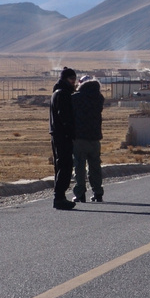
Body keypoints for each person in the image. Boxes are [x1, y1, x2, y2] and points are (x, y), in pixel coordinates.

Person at [71, 75, 105, 203]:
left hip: (79, 138)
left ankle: (80, 193)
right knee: (95, 166)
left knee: (79, 166)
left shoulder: (75, 98)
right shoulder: (99, 98)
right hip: (95, 138)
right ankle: (98, 192)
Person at [49, 67, 78, 210]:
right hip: (62, 136)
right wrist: (70, 132)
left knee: (61, 166)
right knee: (65, 166)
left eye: (74, 79)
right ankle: (59, 197)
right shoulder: (63, 94)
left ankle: (59, 197)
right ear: (65, 79)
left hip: (57, 134)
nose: (74, 82)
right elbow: (65, 116)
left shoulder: (57, 92)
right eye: (71, 79)